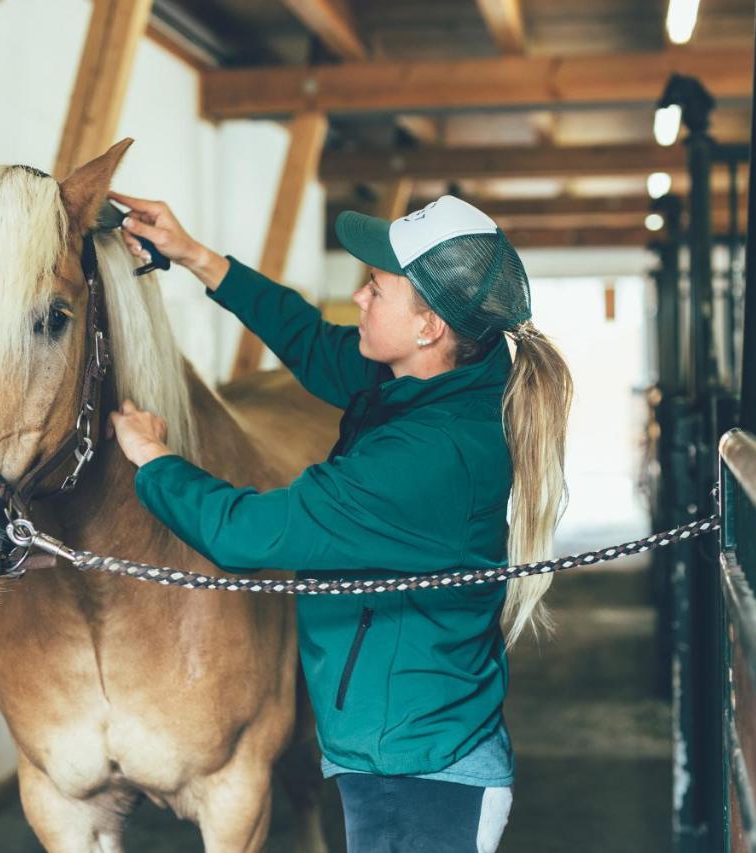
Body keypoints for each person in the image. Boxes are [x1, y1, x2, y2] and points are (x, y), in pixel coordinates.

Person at [107, 191, 574, 853]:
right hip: (404, 755)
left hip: (419, 782)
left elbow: (248, 532)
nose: (357, 297)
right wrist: (195, 256)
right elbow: (309, 341)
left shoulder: (427, 456)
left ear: (427, 327)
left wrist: (152, 457)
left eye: (377, 288)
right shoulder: (437, 379)